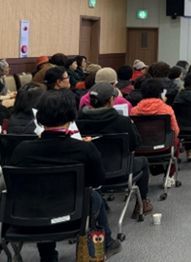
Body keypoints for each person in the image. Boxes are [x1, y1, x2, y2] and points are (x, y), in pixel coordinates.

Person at [10, 90, 121, 261]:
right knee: (93, 196)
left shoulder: (22, 150)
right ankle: (103, 244)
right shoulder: (84, 148)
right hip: (74, 217)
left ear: (39, 116)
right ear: (71, 115)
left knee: (40, 197)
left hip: (30, 216)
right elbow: (98, 180)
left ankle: (48, 255)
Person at [77, 83, 153, 216]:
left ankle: (101, 203)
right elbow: (135, 145)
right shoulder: (122, 121)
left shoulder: (79, 122)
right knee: (143, 161)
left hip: (91, 174)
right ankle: (142, 202)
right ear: (111, 100)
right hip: (120, 172)